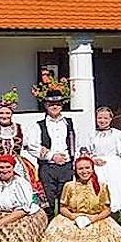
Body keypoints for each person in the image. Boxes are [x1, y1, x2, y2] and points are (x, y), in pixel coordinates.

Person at [32, 156, 121, 242]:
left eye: (87, 168)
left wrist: (93, 219)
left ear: (92, 169)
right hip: (72, 218)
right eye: (80, 169)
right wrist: (73, 216)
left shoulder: (102, 186)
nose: (84, 171)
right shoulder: (69, 186)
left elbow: (107, 210)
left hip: (96, 219)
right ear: (75, 171)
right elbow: (63, 208)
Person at [0, 90, 46, 207]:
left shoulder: (20, 129)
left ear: (12, 114)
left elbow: (30, 144)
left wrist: (41, 149)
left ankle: (22, 207)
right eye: (1, 113)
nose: (4, 116)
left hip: (17, 163)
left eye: (7, 113)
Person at [26, 87, 78, 221]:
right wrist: (51, 156)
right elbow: (31, 146)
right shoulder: (38, 125)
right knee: (47, 203)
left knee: (65, 202)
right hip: (47, 168)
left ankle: (62, 232)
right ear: (46, 106)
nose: (55, 107)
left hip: (66, 167)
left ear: (62, 105)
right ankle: (47, 231)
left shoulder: (69, 123)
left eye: (58, 104)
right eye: (51, 104)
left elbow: (76, 144)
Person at [83, 106, 121, 215]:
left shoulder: (117, 134)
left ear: (111, 119)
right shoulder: (91, 134)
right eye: (100, 118)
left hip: (114, 166)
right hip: (97, 166)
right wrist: (93, 160)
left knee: (114, 192)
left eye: (105, 118)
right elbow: (85, 150)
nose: (102, 121)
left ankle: (115, 219)